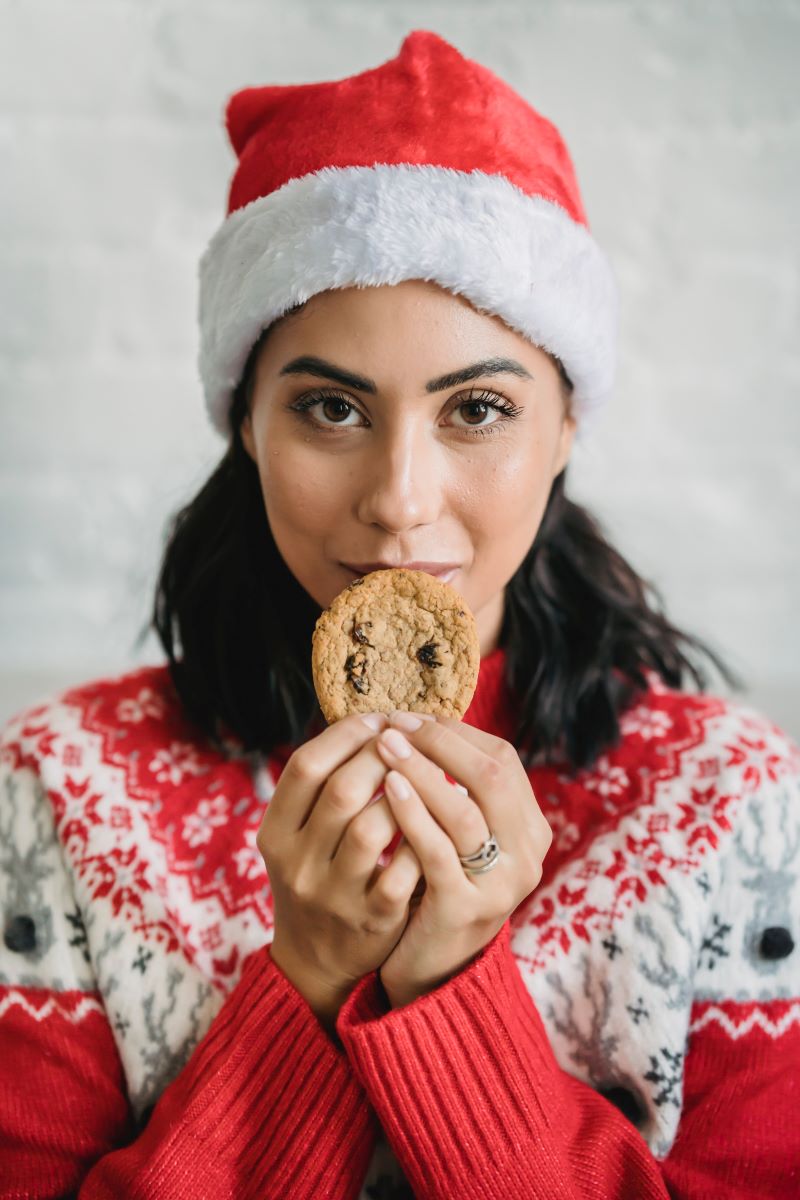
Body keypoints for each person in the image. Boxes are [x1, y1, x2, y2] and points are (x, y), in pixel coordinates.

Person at [1, 27, 798, 1200]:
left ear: (565, 426)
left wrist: (451, 994)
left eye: (476, 408)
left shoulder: (730, 804)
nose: (397, 502)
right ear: (246, 422)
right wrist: (312, 973)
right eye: (330, 408)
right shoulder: (59, 792)